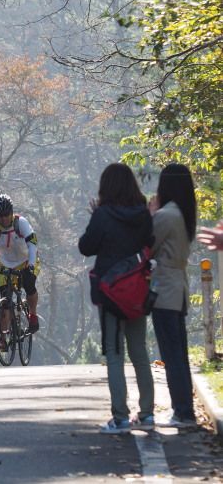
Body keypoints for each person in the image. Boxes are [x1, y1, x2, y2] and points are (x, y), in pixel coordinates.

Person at [78, 163, 155, 434]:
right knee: (139, 351)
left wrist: (96, 217)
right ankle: (146, 414)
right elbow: (151, 244)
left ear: (105, 188)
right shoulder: (143, 214)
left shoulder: (103, 214)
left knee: (114, 352)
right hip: (137, 289)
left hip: (111, 292)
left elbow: (86, 247)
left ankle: (120, 417)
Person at [148, 164, 198, 428]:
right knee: (179, 352)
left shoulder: (166, 215)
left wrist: (149, 215)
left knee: (171, 354)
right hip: (178, 288)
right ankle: (184, 408)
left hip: (164, 290)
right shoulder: (183, 214)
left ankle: (182, 412)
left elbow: (147, 244)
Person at [0, 194, 40, 352]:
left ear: (11, 212)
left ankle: (33, 315)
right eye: (0, 216)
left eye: (6, 215)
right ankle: (2, 338)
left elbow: (32, 245)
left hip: (26, 261)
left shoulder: (21, 223)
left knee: (29, 284)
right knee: (5, 301)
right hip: (6, 264)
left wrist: (31, 265)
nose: (4, 219)